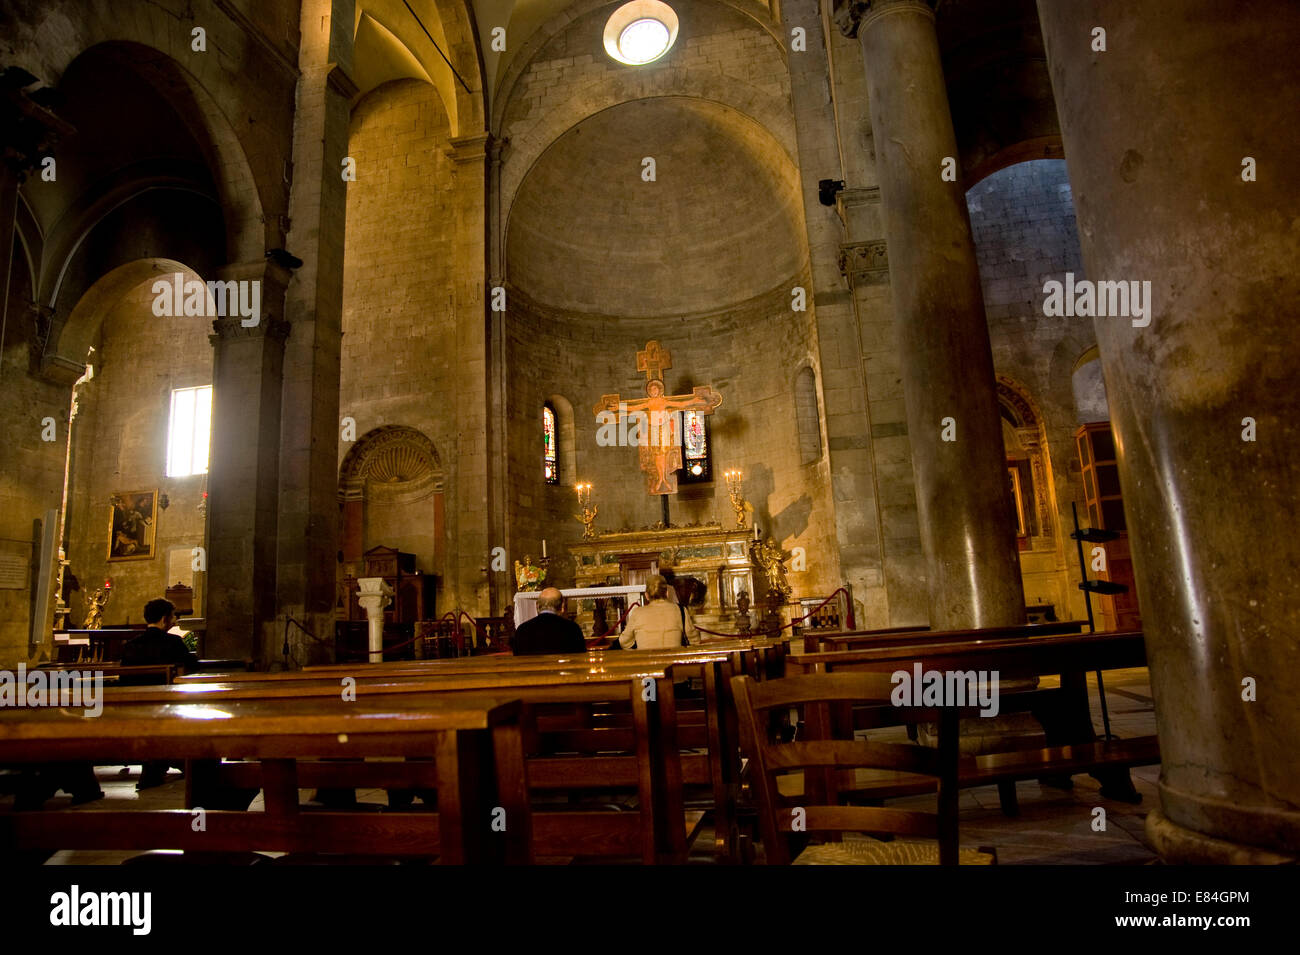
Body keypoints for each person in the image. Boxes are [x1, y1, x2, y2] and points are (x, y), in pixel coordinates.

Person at [121, 598, 200, 789]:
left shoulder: (130, 646)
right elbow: (192, 668)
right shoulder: (173, 643)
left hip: (136, 706)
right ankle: (171, 761)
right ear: (165, 619)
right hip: (168, 706)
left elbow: (124, 679)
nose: (174, 622)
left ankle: (155, 766)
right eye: (172, 617)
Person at [620, 574, 698, 650]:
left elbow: (624, 642)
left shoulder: (637, 613)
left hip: (647, 661)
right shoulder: (680, 610)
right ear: (667, 593)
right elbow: (695, 640)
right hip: (673, 662)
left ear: (646, 595)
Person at [512, 587, 586, 655]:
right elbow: (581, 655)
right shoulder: (572, 628)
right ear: (562, 607)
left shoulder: (522, 629)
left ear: (537, 606)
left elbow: (517, 656)